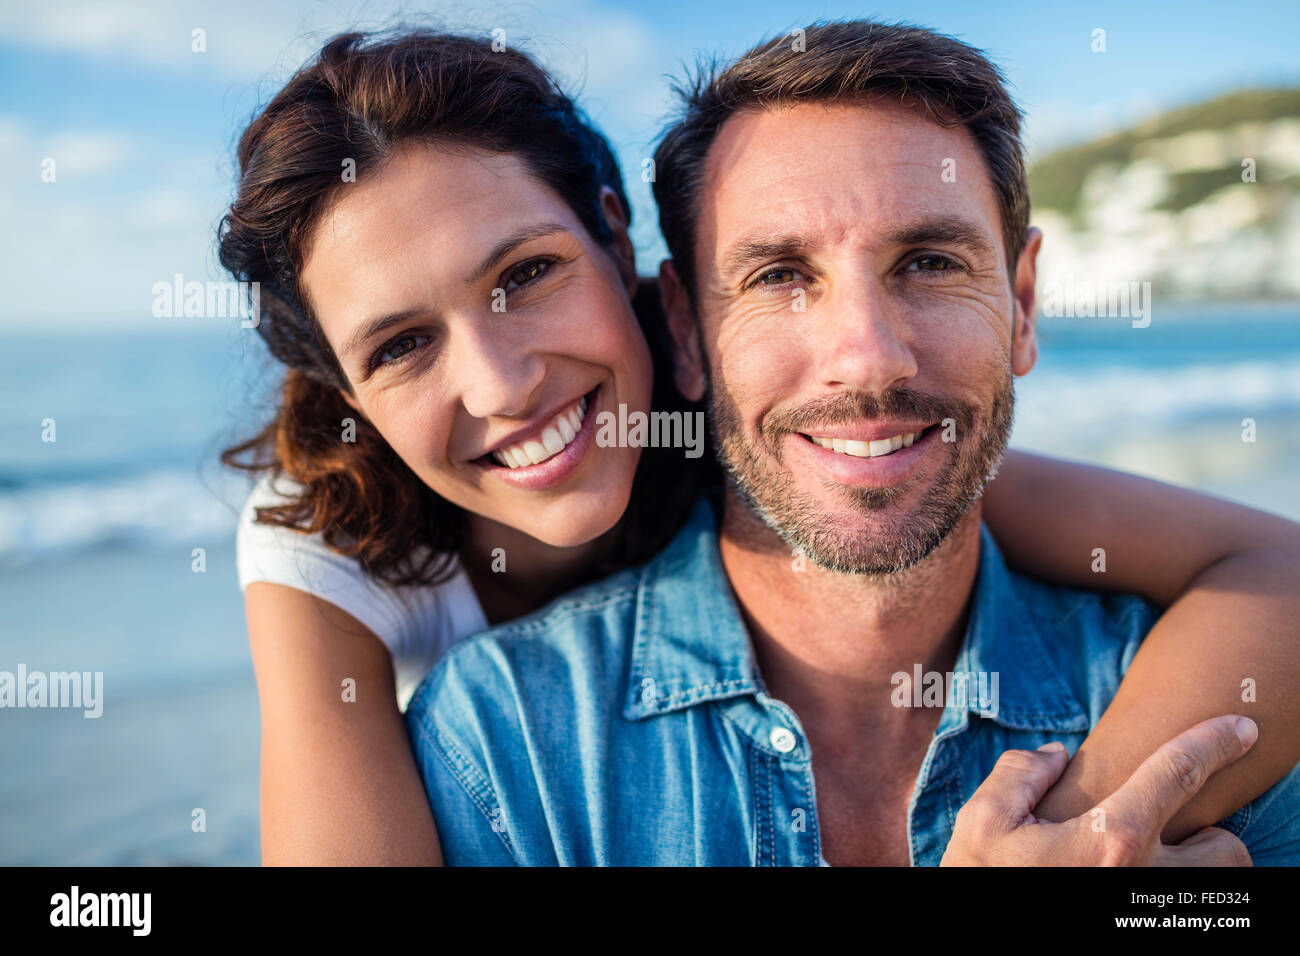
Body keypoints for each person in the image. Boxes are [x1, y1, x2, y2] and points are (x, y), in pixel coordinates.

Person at [221, 29, 1300, 865]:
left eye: (927, 261)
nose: (864, 360)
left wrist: (1080, 829)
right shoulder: (474, 727)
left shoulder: (1165, 692)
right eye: (779, 277)